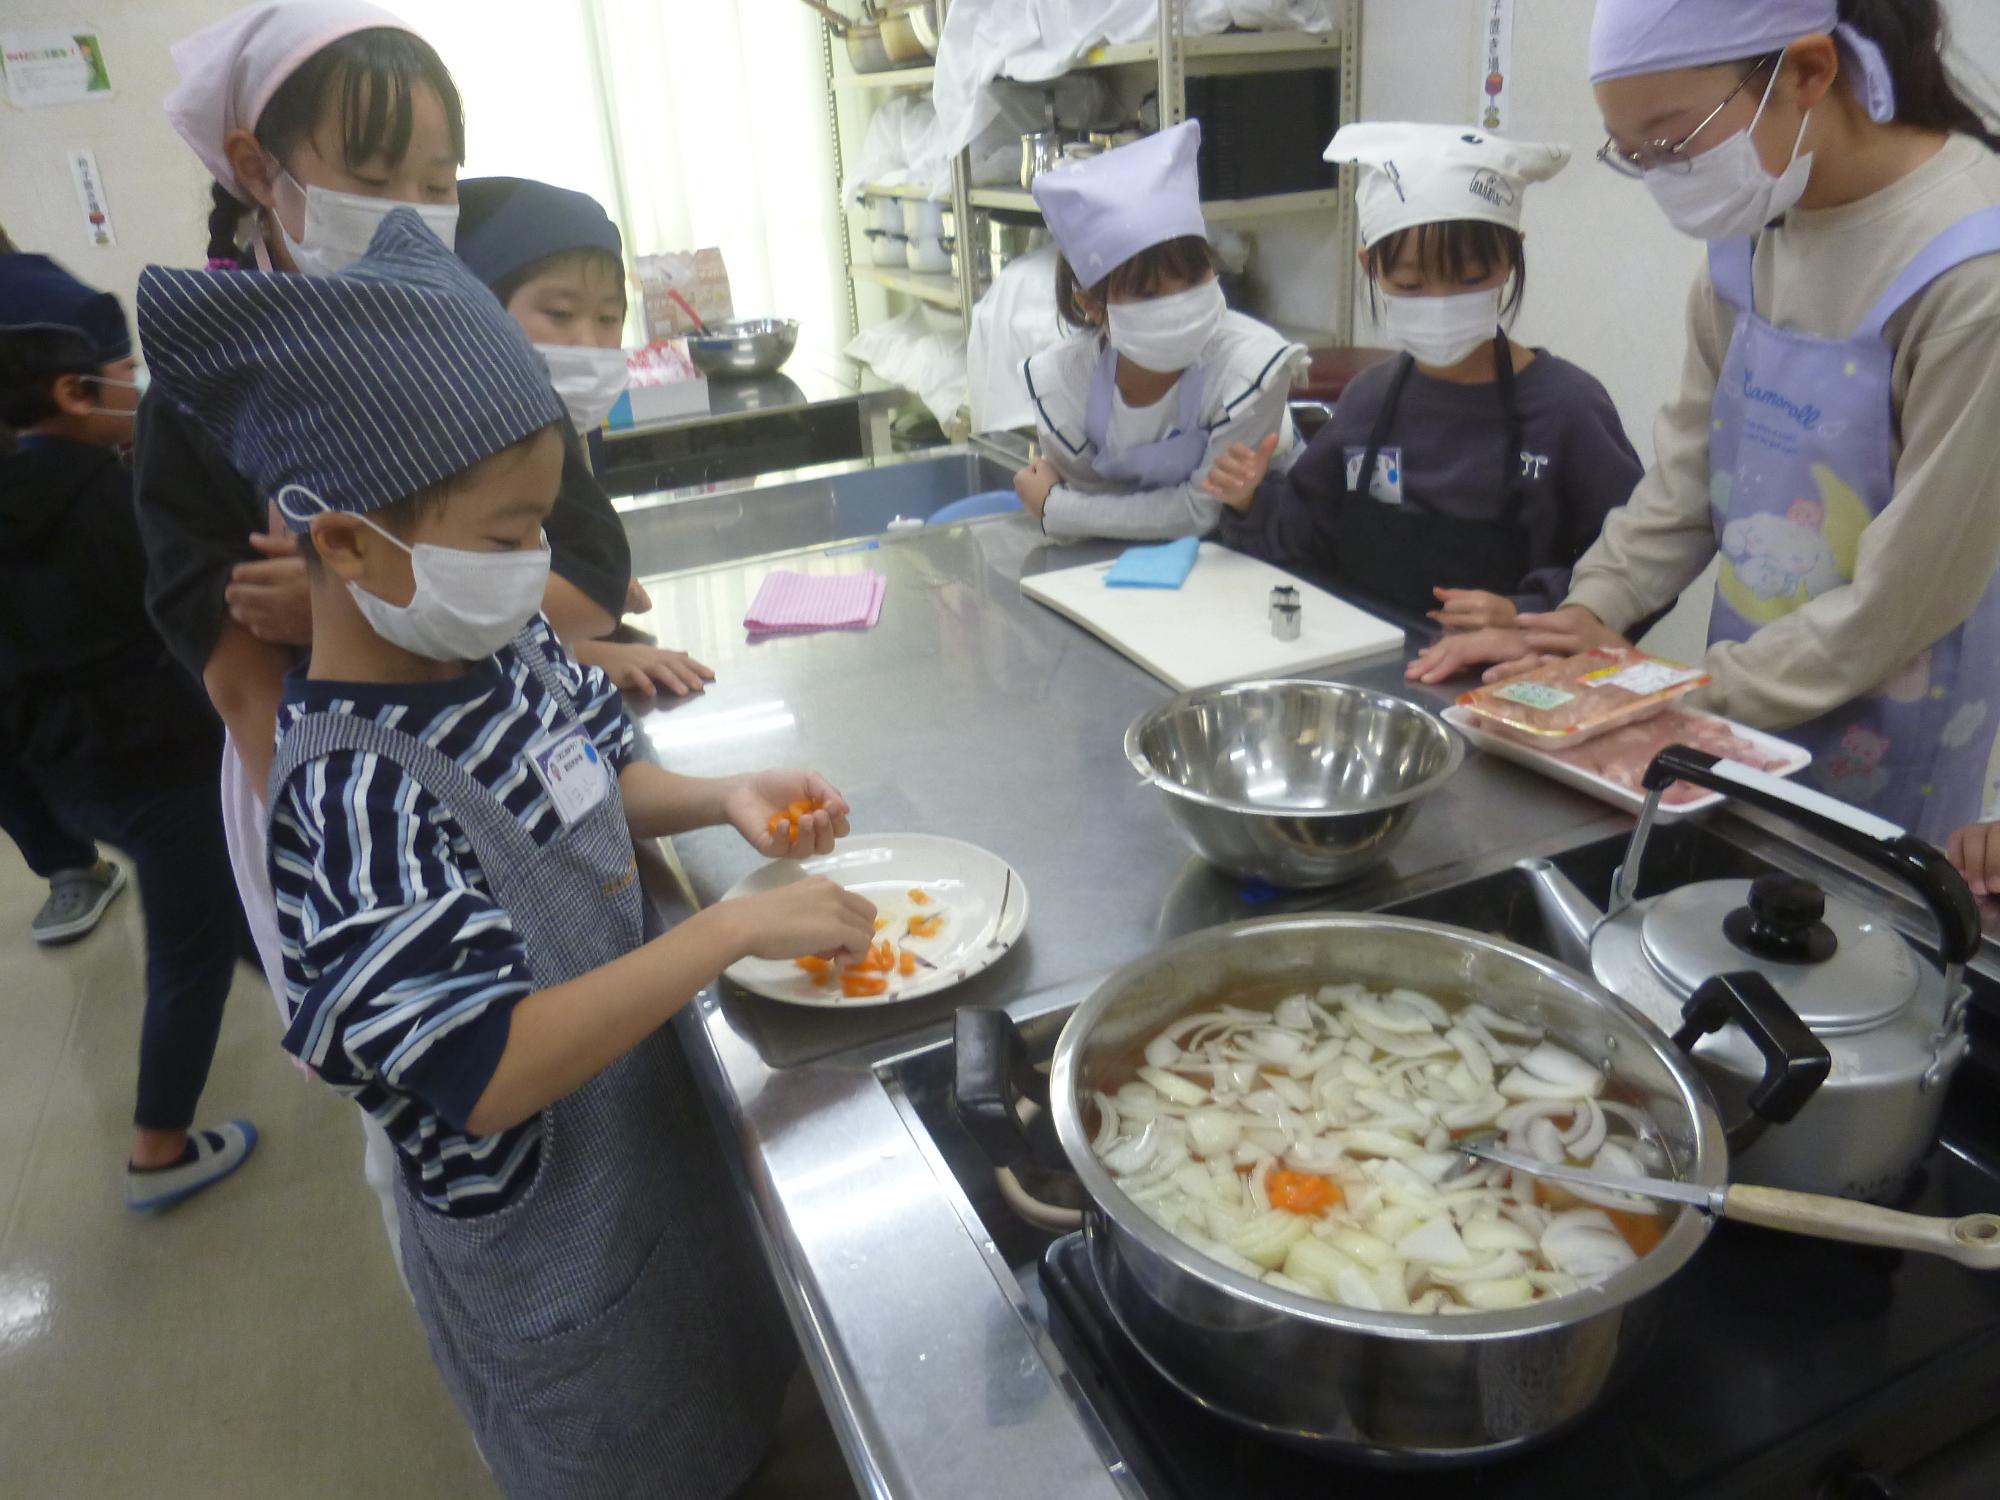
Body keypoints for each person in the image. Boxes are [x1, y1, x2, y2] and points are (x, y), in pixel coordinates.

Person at [139, 210, 876, 1496]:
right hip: (555, 1259)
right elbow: (480, 1070)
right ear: (349, 544)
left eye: (542, 528)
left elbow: (591, 781)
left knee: (726, 1404)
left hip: (647, 1163)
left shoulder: (504, 650)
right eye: (502, 536)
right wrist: (720, 931)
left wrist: (721, 800)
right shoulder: (350, 796)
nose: (536, 566)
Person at [137, 1, 638, 1015]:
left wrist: (357, 596)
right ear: (254, 165)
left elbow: (588, 571)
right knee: (434, 1048)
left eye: (437, 182)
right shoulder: (195, 400)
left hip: (514, 760)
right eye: (369, 180)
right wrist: (367, 858)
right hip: (357, 809)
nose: (409, 209)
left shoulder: (463, 338)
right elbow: (244, 689)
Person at [1413, 0, 2000, 845]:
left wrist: (1668, 690)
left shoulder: (1966, 273)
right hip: (1737, 700)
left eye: (1677, 144)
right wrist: (1591, 615)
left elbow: (1910, 593)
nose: (1666, 177)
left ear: (1808, 72)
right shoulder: (1753, 230)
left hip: (1891, 723)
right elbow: (1690, 476)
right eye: (1637, 155)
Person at [0, 253, 256, 1209]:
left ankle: (318, 1010)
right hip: (160, 764)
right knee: (187, 948)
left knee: (220, 905)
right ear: (73, 391)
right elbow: (191, 624)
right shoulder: (120, 502)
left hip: (63, 774)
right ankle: (158, 1148)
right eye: (122, 378)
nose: (136, 393)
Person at [1220, 123, 1643, 628]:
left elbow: (1636, 567)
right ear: (1371, 267)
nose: (1440, 304)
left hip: (1508, 682)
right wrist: (1250, 503)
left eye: (1469, 280)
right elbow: (1311, 531)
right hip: (1371, 659)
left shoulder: (1567, 409)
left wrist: (1525, 611)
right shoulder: (1369, 402)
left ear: (1510, 256)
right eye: (1411, 284)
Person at [456, 174, 714, 698]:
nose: (589, 342)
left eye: (608, 318)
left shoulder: (555, 429)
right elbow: (448, 606)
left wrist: (584, 638)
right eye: (559, 313)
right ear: (481, 308)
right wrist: (590, 606)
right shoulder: (463, 441)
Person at [1014, 121, 1304, 541]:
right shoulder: (1065, 383)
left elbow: (1201, 513)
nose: (1177, 304)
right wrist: (1075, 510)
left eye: (1192, 278)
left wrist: (1055, 508)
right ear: (1094, 307)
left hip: (1255, 547)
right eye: (1148, 293)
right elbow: (1098, 515)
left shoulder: (1251, 364)